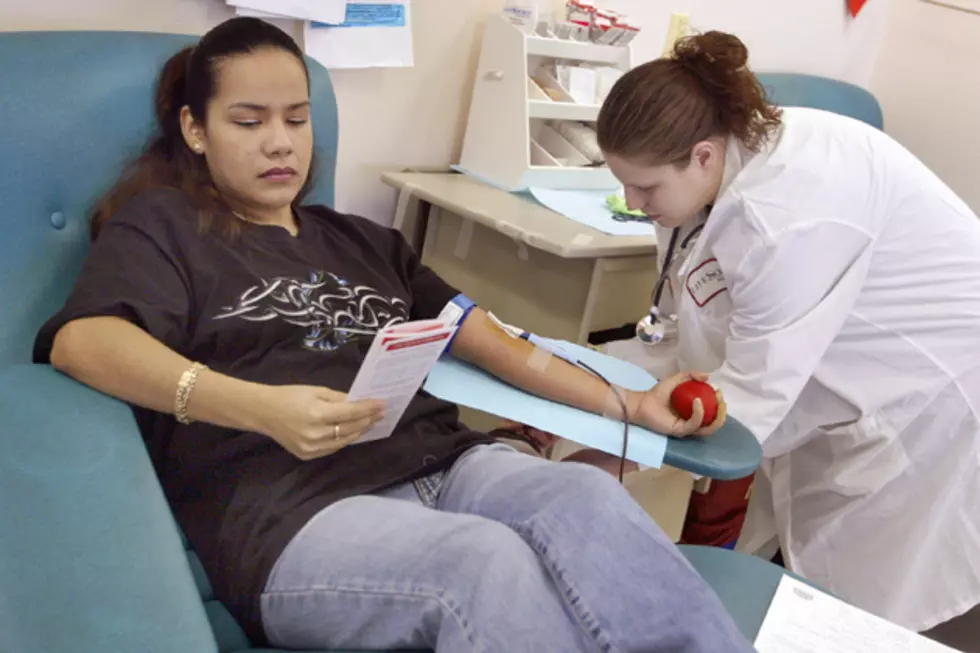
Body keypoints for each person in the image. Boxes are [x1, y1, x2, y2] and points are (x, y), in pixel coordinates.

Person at [32, 17, 752, 653]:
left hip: (443, 460)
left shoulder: (364, 241)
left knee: (587, 500)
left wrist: (629, 406)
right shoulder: (163, 226)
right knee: (485, 563)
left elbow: (501, 347)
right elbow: (84, 342)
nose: (280, 143)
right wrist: (259, 407)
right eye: (248, 122)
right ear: (196, 130)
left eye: (295, 117)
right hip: (288, 507)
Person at [595, 29, 980, 648]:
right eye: (624, 184)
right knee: (789, 570)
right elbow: (697, 323)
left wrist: (608, 435)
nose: (632, 203)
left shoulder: (783, 219)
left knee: (852, 609)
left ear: (701, 155)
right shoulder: (720, 162)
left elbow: (744, 408)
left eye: (645, 189)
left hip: (927, 393)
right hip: (833, 360)